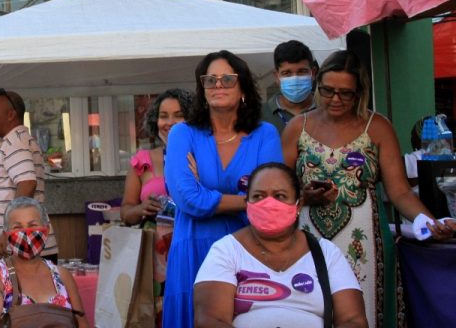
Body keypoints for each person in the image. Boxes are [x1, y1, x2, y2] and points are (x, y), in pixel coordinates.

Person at [282, 50, 456, 327]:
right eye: (328, 91)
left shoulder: (378, 127)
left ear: (360, 92)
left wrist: (427, 221)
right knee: (312, 311)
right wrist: (303, 197)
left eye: (345, 93)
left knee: (365, 311)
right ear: (317, 86)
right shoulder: (296, 127)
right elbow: (280, 187)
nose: (335, 99)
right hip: (307, 238)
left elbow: (398, 191)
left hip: (364, 243)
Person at [163, 50, 283, 327]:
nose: (218, 85)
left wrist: (207, 190)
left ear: (243, 88)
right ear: (202, 90)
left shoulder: (265, 134)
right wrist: (250, 200)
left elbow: (273, 199)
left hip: (249, 250)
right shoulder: (183, 133)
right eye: (210, 80)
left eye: (227, 79)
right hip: (193, 248)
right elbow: (188, 199)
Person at [194, 163, 367, 328]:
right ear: (247, 204)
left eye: (280, 196)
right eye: (258, 196)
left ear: (298, 205)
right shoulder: (226, 250)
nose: (269, 204)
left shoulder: (326, 253)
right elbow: (209, 320)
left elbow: (354, 320)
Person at [0, 197, 88, 328]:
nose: (26, 234)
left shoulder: (62, 276)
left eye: (33, 225)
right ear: (6, 235)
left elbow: (82, 324)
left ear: (47, 229)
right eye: (17, 227)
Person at [0, 89, 57, 261]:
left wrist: (7, 232)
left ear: (10, 115)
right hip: (21, 250)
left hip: (22, 251)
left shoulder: (15, 142)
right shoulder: (17, 140)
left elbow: (27, 183)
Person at [120, 88, 194, 226]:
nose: (170, 122)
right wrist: (140, 209)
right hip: (157, 244)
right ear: (156, 121)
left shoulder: (204, 156)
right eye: (164, 116)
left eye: (179, 115)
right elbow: (125, 214)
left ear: (192, 119)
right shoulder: (142, 161)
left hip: (196, 241)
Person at [261, 40, 318, 133]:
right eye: (287, 73)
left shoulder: (327, 110)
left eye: (302, 71)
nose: (295, 79)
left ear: (313, 73)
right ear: (277, 76)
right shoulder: (259, 115)